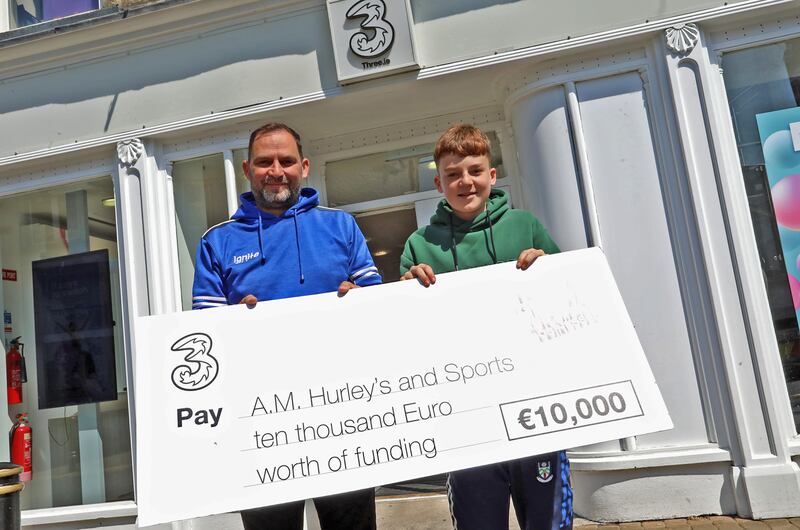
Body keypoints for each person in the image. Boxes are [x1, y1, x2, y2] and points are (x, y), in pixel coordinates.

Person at [192, 122, 380, 530]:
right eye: (264, 162)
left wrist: (362, 301)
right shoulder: (217, 241)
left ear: (305, 166)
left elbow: (379, 312)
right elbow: (202, 340)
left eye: (286, 161)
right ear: (247, 170)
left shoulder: (341, 226)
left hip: (343, 415)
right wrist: (227, 323)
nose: (276, 170)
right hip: (259, 426)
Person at [399, 124, 573, 530]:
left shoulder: (524, 227)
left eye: (475, 170)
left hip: (535, 408)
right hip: (466, 418)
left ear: (492, 175)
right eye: (453, 174)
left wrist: (549, 271)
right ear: (438, 181)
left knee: (547, 523)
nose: (465, 182)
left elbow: (568, 302)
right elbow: (408, 336)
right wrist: (404, 294)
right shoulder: (418, 245)